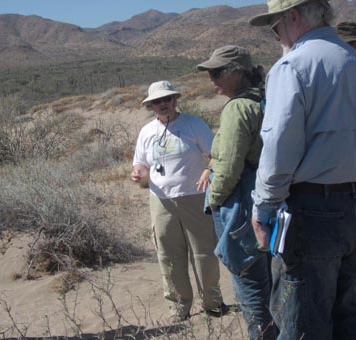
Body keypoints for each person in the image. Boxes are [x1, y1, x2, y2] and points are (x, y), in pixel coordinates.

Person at [249, 1, 356, 339]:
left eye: (275, 26)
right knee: (348, 320)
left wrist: (263, 208)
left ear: (292, 17)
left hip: (310, 213)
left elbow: (279, 148)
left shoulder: (292, 67)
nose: (276, 35)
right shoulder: (352, 60)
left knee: (302, 325)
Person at [196, 46, 277, 340]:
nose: (211, 79)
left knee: (249, 283)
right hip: (263, 198)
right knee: (267, 280)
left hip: (239, 204)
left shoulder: (238, 108)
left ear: (238, 72)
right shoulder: (263, 100)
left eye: (217, 72)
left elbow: (229, 167)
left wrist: (214, 201)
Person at [131, 80, 226, 321]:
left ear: (175, 100)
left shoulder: (193, 124)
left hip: (194, 197)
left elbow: (216, 154)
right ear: (151, 106)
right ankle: (178, 306)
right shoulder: (146, 131)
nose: (163, 104)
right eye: (157, 101)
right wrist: (139, 172)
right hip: (161, 200)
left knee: (203, 253)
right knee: (168, 254)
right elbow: (140, 163)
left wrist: (208, 171)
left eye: (167, 99)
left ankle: (212, 303)